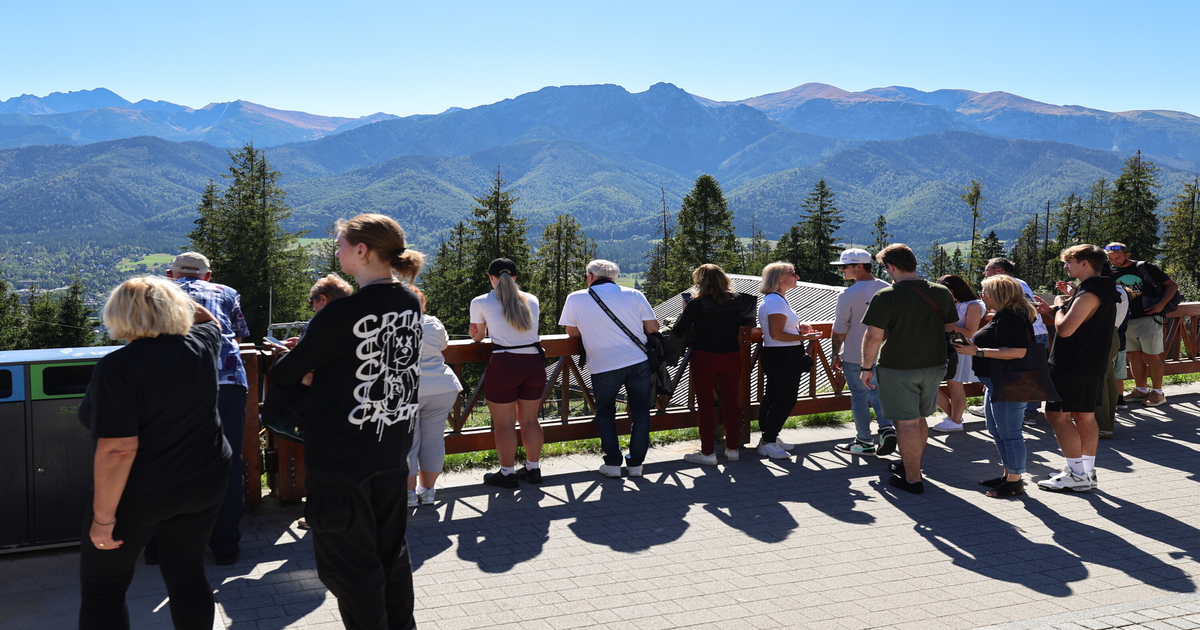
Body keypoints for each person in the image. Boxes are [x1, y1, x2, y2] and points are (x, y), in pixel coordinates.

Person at [270, 213, 424, 630]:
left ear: (362, 250)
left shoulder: (342, 313)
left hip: (341, 458)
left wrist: (307, 370)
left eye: (340, 245)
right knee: (390, 553)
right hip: (391, 449)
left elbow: (285, 372)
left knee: (348, 565)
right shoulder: (409, 301)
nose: (336, 252)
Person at [78, 276, 230, 630]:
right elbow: (210, 319)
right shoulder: (202, 343)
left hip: (140, 490)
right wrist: (166, 296)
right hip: (203, 481)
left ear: (118, 314)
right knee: (187, 575)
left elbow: (118, 451)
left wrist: (103, 520)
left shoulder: (118, 367)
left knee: (104, 589)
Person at [140, 252, 248, 567]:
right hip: (227, 382)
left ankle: (158, 546)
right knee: (227, 463)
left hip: (169, 385)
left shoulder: (154, 293)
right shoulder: (227, 292)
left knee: (164, 462)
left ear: (170, 274)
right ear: (208, 276)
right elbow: (237, 333)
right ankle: (225, 546)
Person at [860, 244, 958, 494]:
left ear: (891, 267)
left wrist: (866, 367)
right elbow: (949, 328)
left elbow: (873, 337)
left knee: (906, 423)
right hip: (935, 365)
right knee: (919, 418)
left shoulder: (886, 296)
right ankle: (910, 465)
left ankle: (912, 479)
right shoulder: (942, 292)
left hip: (898, 367)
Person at [559, 260, 659, 478]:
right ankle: (636, 465)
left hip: (603, 363)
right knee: (641, 413)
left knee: (605, 413)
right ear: (614, 277)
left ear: (590, 277)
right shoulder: (634, 294)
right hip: (638, 360)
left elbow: (572, 333)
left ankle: (613, 463)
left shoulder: (575, 298)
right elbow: (653, 327)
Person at [1034, 244, 1118, 492]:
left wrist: (1059, 307)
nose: (1065, 266)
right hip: (1090, 362)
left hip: (1072, 364)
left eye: (1069, 262)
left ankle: (1077, 474)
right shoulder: (1103, 288)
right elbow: (1081, 323)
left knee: (1056, 415)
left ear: (1085, 263)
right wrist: (1053, 311)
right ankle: (1086, 472)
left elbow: (1065, 330)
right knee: (1084, 415)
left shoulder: (1089, 292)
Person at [951, 275, 1037, 498]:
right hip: (996, 381)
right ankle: (1008, 475)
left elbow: (1018, 351)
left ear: (998, 294)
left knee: (1010, 433)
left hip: (1009, 381)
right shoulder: (1004, 315)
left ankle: (1015, 481)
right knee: (997, 430)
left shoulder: (1011, 317)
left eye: (985, 292)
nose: (981, 296)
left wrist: (977, 352)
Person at [470, 258, 545, 488]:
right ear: (515, 277)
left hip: (504, 364)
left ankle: (507, 473)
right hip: (533, 363)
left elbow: (478, 337)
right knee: (530, 420)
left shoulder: (480, 302)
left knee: (504, 424)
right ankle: (533, 469)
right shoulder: (532, 300)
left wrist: (475, 331)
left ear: (490, 277)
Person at [672, 264, 756, 465]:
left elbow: (679, 329)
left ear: (700, 282)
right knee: (732, 403)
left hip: (704, 356)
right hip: (731, 355)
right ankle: (733, 449)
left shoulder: (697, 304)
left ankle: (708, 453)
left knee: (705, 406)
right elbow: (746, 323)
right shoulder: (738, 300)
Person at [828, 249, 895, 456]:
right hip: (885, 354)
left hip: (855, 355)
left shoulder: (847, 295)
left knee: (859, 397)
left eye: (844, 266)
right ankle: (887, 429)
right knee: (880, 394)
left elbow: (840, 328)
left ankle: (864, 441)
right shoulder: (888, 288)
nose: (841, 270)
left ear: (859, 266)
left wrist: (835, 354)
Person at [756, 262, 822, 460]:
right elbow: (776, 334)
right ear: (779, 277)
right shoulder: (776, 301)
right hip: (782, 354)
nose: (797, 277)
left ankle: (769, 437)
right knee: (785, 399)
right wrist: (805, 337)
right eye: (792, 273)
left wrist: (799, 329)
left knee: (774, 397)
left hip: (779, 353)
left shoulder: (776, 299)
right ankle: (768, 442)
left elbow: (779, 330)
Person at [976, 258, 1051, 426]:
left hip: (1030, 333)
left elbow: (1026, 309)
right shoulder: (1017, 285)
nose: (984, 273)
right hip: (1035, 332)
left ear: (999, 271)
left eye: (987, 270)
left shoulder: (1011, 286)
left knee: (1026, 374)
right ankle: (1023, 411)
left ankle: (1024, 412)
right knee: (1029, 373)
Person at [408, 286, 462, 506]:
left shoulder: (393, 324)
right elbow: (443, 345)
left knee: (407, 443)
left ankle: (408, 494)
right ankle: (428, 492)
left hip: (410, 390)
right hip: (442, 387)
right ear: (423, 305)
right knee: (433, 441)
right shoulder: (433, 323)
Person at [1105, 242, 1177, 407]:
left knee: (1152, 355)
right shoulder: (1110, 272)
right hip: (1126, 319)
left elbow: (1172, 285)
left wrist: (1161, 305)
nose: (1114, 261)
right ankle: (1141, 390)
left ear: (1127, 254)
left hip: (1149, 317)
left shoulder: (1144, 267)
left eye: (1117, 258)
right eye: (1111, 258)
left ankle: (1158, 393)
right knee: (1133, 355)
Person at [932, 275, 984, 432]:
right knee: (930, 384)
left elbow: (970, 331)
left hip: (960, 348)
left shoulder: (973, 305)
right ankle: (954, 417)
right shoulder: (951, 303)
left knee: (954, 384)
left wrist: (941, 324)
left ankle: (955, 420)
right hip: (943, 346)